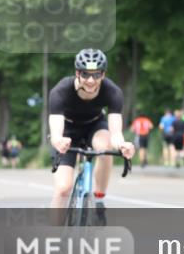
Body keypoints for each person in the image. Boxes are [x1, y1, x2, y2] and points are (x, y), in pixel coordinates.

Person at [48, 48, 134, 211]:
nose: (91, 80)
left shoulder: (113, 92)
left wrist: (123, 145)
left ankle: (99, 199)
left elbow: (116, 133)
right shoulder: (60, 91)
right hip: (67, 131)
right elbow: (56, 132)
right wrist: (58, 141)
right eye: (85, 74)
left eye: (96, 74)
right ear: (77, 73)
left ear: (103, 74)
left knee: (105, 147)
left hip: (94, 125)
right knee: (63, 189)